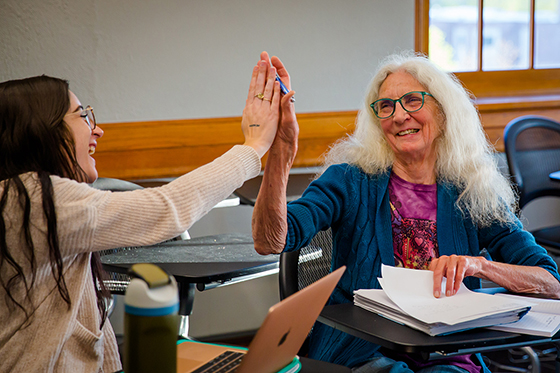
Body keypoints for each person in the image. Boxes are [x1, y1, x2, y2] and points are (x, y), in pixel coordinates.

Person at [252, 51, 560, 373]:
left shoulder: (471, 192)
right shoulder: (350, 181)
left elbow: (550, 283)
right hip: (363, 352)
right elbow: (271, 239)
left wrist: (480, 266)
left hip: (447, 355)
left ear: (442, 113)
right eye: (386, 107)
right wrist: (280, 154)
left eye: (413, 100)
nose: (399, 116)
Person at [0, 51, 294, 372]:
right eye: (83, 116)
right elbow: (167, 209)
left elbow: (97, 346)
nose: (97, 131)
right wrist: (253, 145)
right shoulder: (28, 201)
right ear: (42, 132)